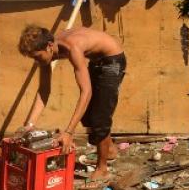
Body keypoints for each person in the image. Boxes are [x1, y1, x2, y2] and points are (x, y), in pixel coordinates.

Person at [18, 25, 126, 181]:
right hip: (96, 60)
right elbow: (43, 91)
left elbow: (86, 92)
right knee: (88, 117)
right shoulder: (48, 52)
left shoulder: (73, 48)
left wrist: (68, 132)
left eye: (37, 57)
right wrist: (29, 124)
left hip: (112, 60)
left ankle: (102, 169)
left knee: (100, 118)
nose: (36, 61)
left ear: (49, 46)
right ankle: (109, 150)